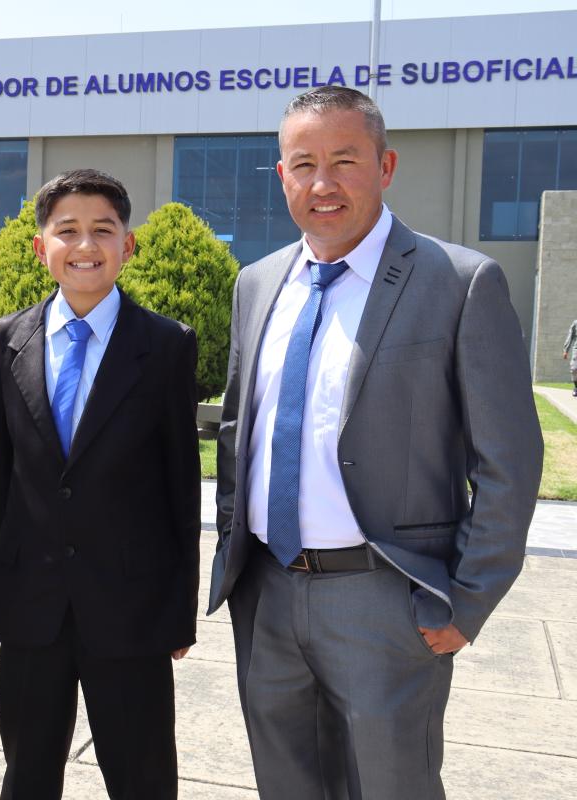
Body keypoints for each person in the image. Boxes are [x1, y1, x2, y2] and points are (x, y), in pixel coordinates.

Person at [209, 85, 544, 800]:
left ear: (386, 165)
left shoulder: (457, 282)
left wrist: (467, 600)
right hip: (267, 594)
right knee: (286, 786)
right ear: (281, 175)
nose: (322, 183)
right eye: (303, 164)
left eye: (345, 160)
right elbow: (240, 430)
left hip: (386, 600)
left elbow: (509, 462)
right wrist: (234, 557)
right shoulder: (258, 282)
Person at [0, 169, 200, 799]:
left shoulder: (164, 346)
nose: (85, 246)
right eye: (66, 230)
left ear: (127, 245)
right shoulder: (4, 342)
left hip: (131, 608)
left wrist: (177, 611)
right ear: (39, 247)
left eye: (103, 230)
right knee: (26, 776)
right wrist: (4, 586)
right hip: (32, 608)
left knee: (143, 778)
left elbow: (182, 486)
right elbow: (6, 489)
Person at [563, 319, 577, 396]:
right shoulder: (575, 323)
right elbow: (570, 336)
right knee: (574, 368)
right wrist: (566, 350)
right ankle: (576, 387)